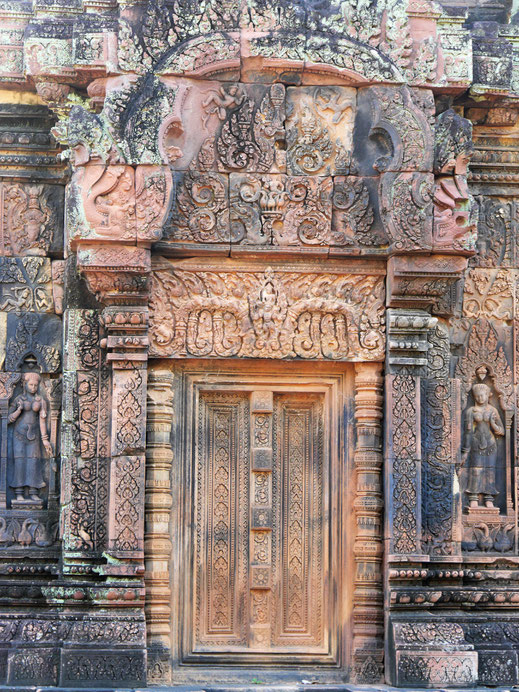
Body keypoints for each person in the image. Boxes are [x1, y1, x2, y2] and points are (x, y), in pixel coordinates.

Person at [8, 372, 52, 503]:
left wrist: (45, 439)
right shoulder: (19, 400)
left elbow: (42, 422)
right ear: (25, 385)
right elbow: (8, 419)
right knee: (20, 462)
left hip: (34, 436)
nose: (33, 387)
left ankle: (33, 491)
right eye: (31, 385)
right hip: (19, 435)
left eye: (35, 385)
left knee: (33, 462)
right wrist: (18, 411)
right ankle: (19, 492)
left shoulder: (41, 401)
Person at [461, 382, 504, 509]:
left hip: (491, 443)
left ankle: (488, 498)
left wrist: (493, 424)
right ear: (474, 397)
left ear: (487, 395)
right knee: (476, 470)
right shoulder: (471, 411)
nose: (480, 398)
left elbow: (502, 431)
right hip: (476, 442)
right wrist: (465, 451)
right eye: (477, 396)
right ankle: (473, 496)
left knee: (490, 470)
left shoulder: (493, 410)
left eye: (482, 395)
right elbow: (468, 432)